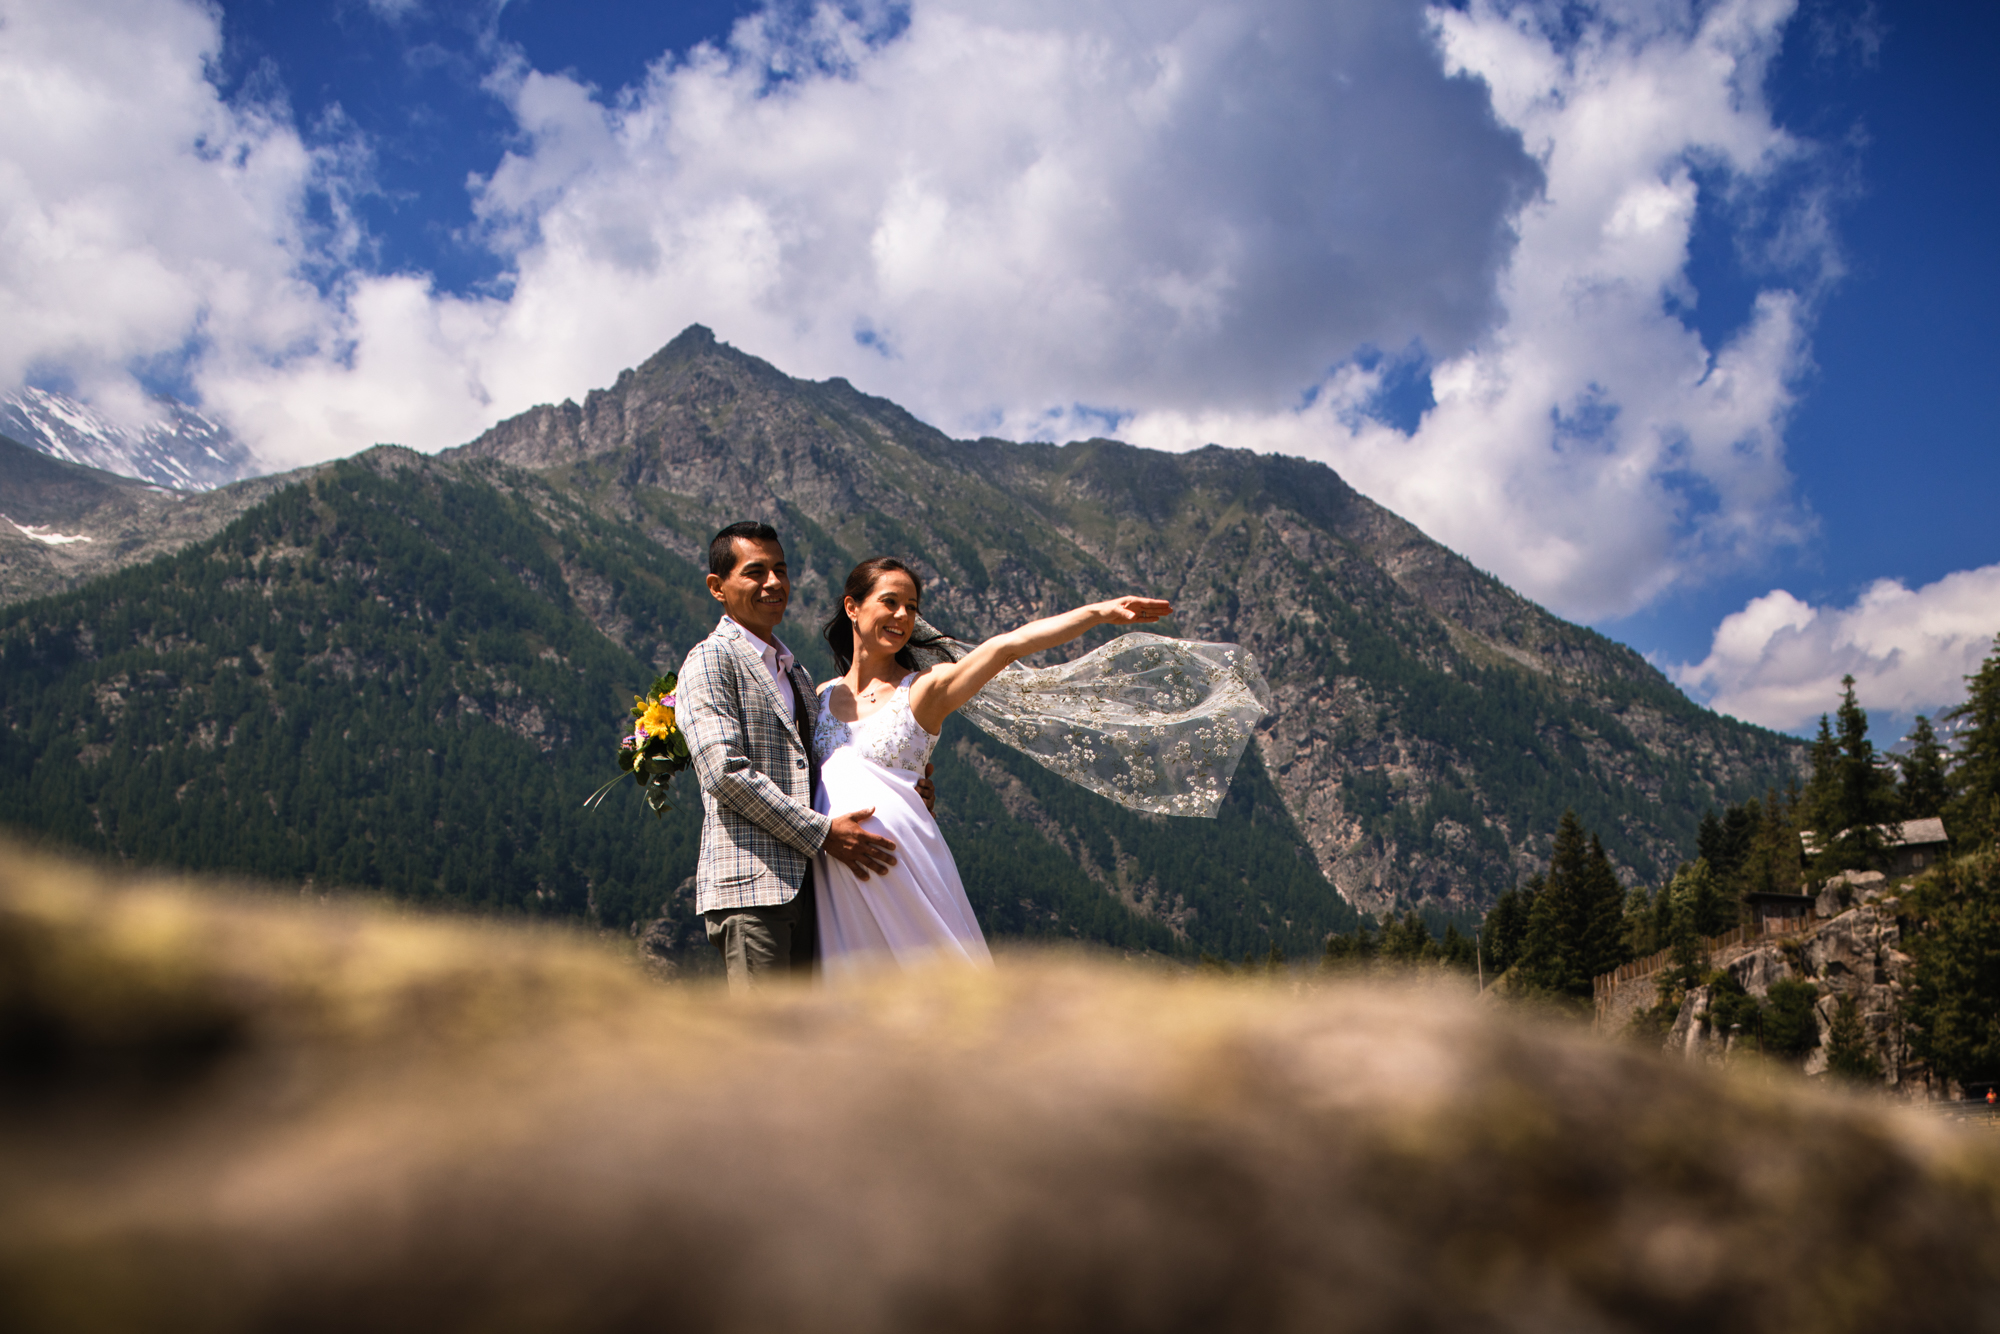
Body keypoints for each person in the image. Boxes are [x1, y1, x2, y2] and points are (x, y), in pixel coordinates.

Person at [812, 556, 1170, 976]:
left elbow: (1007, 647)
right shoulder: (819, 696)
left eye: (911, 606)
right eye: (890, 602)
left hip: (903, 869)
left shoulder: (927, 688)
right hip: (835, 873)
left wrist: (1096, 613)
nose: (902, 616)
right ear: (852, 607)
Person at [677, 523, 934, 989]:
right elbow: (724, 774)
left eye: (780, 570)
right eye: (755, 572)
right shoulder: (709, 660)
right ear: (718, 587)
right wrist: (823, 833)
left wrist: (904, 787)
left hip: (814, 891)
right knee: (767, 1043)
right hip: (751, 888)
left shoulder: (795, 672)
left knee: (810, 1043)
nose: (773, 583)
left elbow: (826, 761)